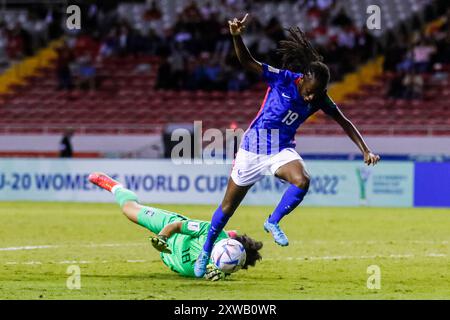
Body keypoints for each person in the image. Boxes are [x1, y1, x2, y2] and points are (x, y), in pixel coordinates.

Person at [194, 14, 381, 277]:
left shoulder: (319, 98)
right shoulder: (282, 79)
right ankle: (204, 253)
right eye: (310, 90)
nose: (312, 96)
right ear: (303, 78)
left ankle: (272, 221)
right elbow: (247, 62)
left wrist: (365, 149)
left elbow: (344, 121)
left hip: (280, 150)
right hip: (251, 148)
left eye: (318, 93)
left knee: (302, 180)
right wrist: (237, 36)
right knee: (227, 208)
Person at [88, 172, 263, 281]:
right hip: (170, 227)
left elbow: (222, 270)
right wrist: (162, 238)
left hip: (171, 258)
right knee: (128, 210)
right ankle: (116, 187)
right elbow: (177, 225)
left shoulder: (223, 266)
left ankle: (233, 233)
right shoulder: (212, 231)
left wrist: (221, 275)